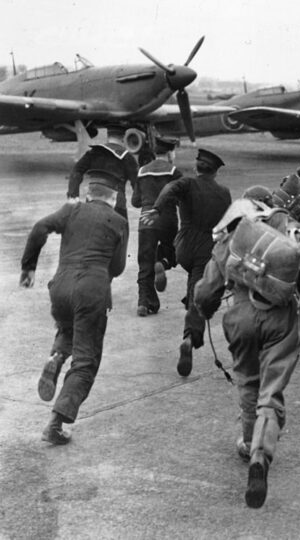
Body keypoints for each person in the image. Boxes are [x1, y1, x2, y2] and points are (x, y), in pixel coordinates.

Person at [193, 187, 300, 508]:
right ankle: (261, 455)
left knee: (247, 381)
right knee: (270, 393)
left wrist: (202, 310)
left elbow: (206, 293)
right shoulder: (281, 225)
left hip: (240, 317)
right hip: (280, 319)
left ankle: (248, 442)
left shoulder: (229, 237)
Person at [20, 170, 128, 444]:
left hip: (60, 287)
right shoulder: (118, 221)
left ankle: (56, 356)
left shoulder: (72, 209)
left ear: (88, 193)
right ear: (113, 197)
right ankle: (55, 424)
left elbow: (39, 228)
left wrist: (29, 267)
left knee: (68, 326)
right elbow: (117, 267)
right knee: (86, 360)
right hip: (91, 290)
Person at [141, 148, 232, 376]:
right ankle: (190, 338)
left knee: (190, 280)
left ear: (196, 167)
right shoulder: (224, 193)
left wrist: (157, 209)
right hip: (205, 248)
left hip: (182, 245)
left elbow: (170, 188)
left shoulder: (187, 183)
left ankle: (164, 263)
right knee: (198, 295)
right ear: (215, 172)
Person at [131, 138, 181, 316]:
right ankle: (162, 262)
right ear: (169, 153)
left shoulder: (142, 171)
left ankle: (144, 303)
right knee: (173, 252)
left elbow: (135, 201)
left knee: (144, 263)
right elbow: (182, 198)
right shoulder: (175, 172)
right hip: (167, 220)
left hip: (146, 222)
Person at [67, 125, 139, 220]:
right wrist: (138, 200)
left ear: (108, 136)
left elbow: (76, 171)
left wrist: (73, 194)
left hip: (92, 199)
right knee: (119, 233)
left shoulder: (93, 152)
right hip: (116, 203)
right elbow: (136, 182)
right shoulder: (127, 157)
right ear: (123, 138)